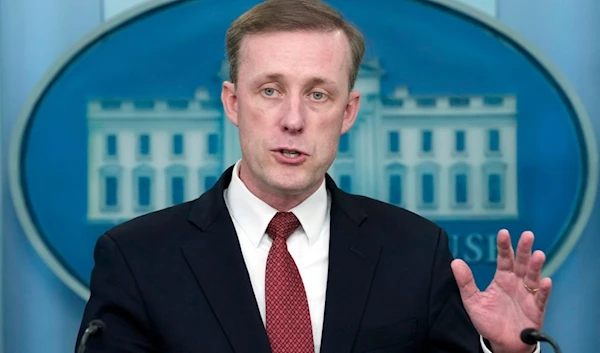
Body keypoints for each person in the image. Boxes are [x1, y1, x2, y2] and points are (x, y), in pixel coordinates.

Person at [76, 0, 552, 352]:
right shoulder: (138, 258)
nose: (293, 119)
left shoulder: (416, 250)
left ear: (348, 112)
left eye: (318, 95)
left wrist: (509, 352)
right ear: (232, 103)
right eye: (269, 90)